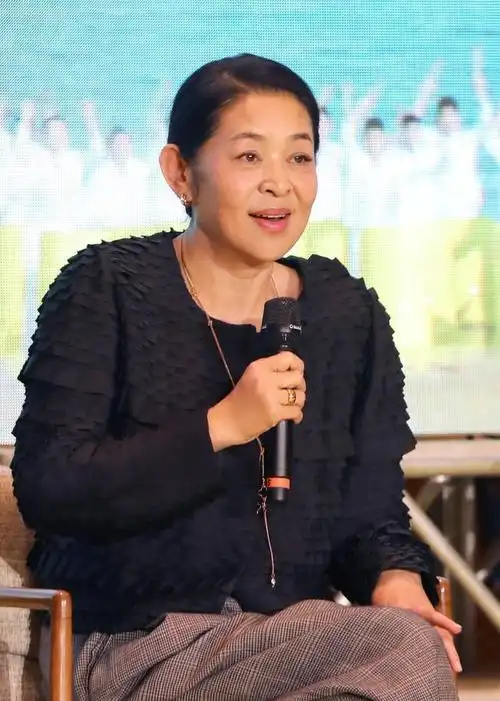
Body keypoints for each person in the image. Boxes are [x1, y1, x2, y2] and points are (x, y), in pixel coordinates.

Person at [11, 54, 460, 701]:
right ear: (180, 172)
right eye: (250, 156)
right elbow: (51, 487)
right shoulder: (107, 286)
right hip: (139, 640)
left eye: (299, 157)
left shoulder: (345, 312)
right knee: (404, 651)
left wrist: (394, 578)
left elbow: (369, 511)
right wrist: (222, 425)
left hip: (291, 642)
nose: (280, 184)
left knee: (408, 645)